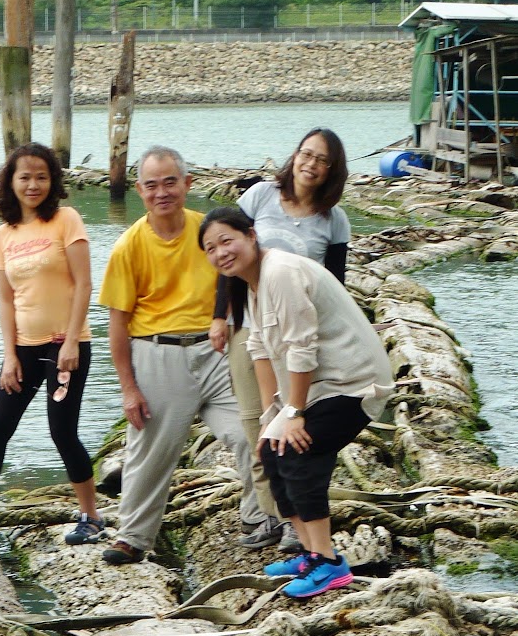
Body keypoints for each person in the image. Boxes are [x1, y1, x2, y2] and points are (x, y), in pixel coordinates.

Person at [200, 205, 394, 600]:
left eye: (226, 241)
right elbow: (259, 349)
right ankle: (309, 553)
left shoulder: (281, 273)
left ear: (251, 235)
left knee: (296, 453)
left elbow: (301, 349)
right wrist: (272, 414)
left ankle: (329, 564)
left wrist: (294, 412)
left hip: (352, 384)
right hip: (319, 386)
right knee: (271, 451)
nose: (220, 253)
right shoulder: (251, 283)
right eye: (210, 248)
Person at [0, 142, 104, 546]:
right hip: (23, 347)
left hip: (65, 345)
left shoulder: (66, 219)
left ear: (52, 181)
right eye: (24, 177)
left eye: (41, 177)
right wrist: (9, 356)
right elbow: (7, 300)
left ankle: (92, 517)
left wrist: (72, 342)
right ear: (10, 182)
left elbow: (84, 284)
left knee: (62, 432)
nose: (33, 185)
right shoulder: (3, 235)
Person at [97, 146, 257, 566]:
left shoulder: (208, 232)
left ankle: (262, 520)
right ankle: (133, 537)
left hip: (216, 348)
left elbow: (237, 278)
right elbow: (117, 324)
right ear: (139, 190)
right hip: (158, 353)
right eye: (152, 185)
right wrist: (128, 388)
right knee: (151, 451)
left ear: (187, 184)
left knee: (251, 433)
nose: (162, 192)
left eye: (170, 182)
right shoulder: (129, 246)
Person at [210, 128, 351, 553]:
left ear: (332, 170)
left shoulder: (334, 220)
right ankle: (269, 514)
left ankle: (298, 523)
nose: (311, 164)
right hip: (249, 326)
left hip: (297, 335)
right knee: (255, 421)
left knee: (294, 423)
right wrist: (219, 316)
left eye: (322, 159)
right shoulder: (260, 196)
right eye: (306, 154)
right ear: (294, 156)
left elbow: (335, 285)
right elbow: (227, 255)